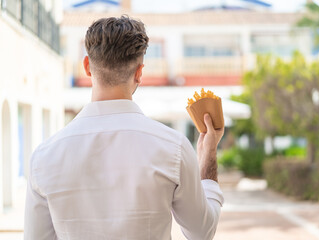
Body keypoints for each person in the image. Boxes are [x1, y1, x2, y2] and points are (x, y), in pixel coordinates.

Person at [24, 16, 224, 240]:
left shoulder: (44, 157)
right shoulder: (173, 147)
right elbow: (201, 233)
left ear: (87, 67)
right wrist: (208, 159)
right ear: (139, 72)